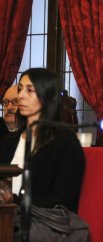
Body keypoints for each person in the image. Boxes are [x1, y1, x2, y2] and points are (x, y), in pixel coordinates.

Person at [0, 68, 85, 213]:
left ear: (47, 96)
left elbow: (64, 200)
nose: (21, 96)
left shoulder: (65, 142)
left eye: (29, 90)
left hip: (41, 221)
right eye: (20, 89)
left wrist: (13, 200)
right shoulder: (9, 141)